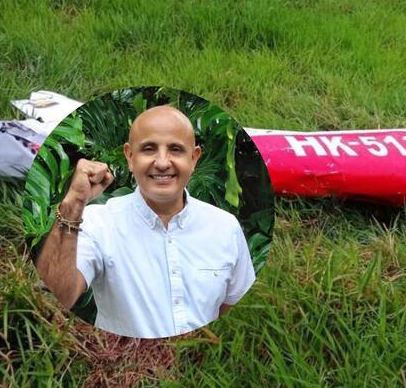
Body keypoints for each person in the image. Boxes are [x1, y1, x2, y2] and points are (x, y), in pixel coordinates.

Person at [35, 105, 256, 338]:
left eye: (176, 150)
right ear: (130, 157)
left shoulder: (225, 227)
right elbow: (58, 296)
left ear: (194, 158)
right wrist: (74, 204)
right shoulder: (98, 223)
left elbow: (234, 308)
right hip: (125, 368)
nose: (162, 162)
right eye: (149, 149)